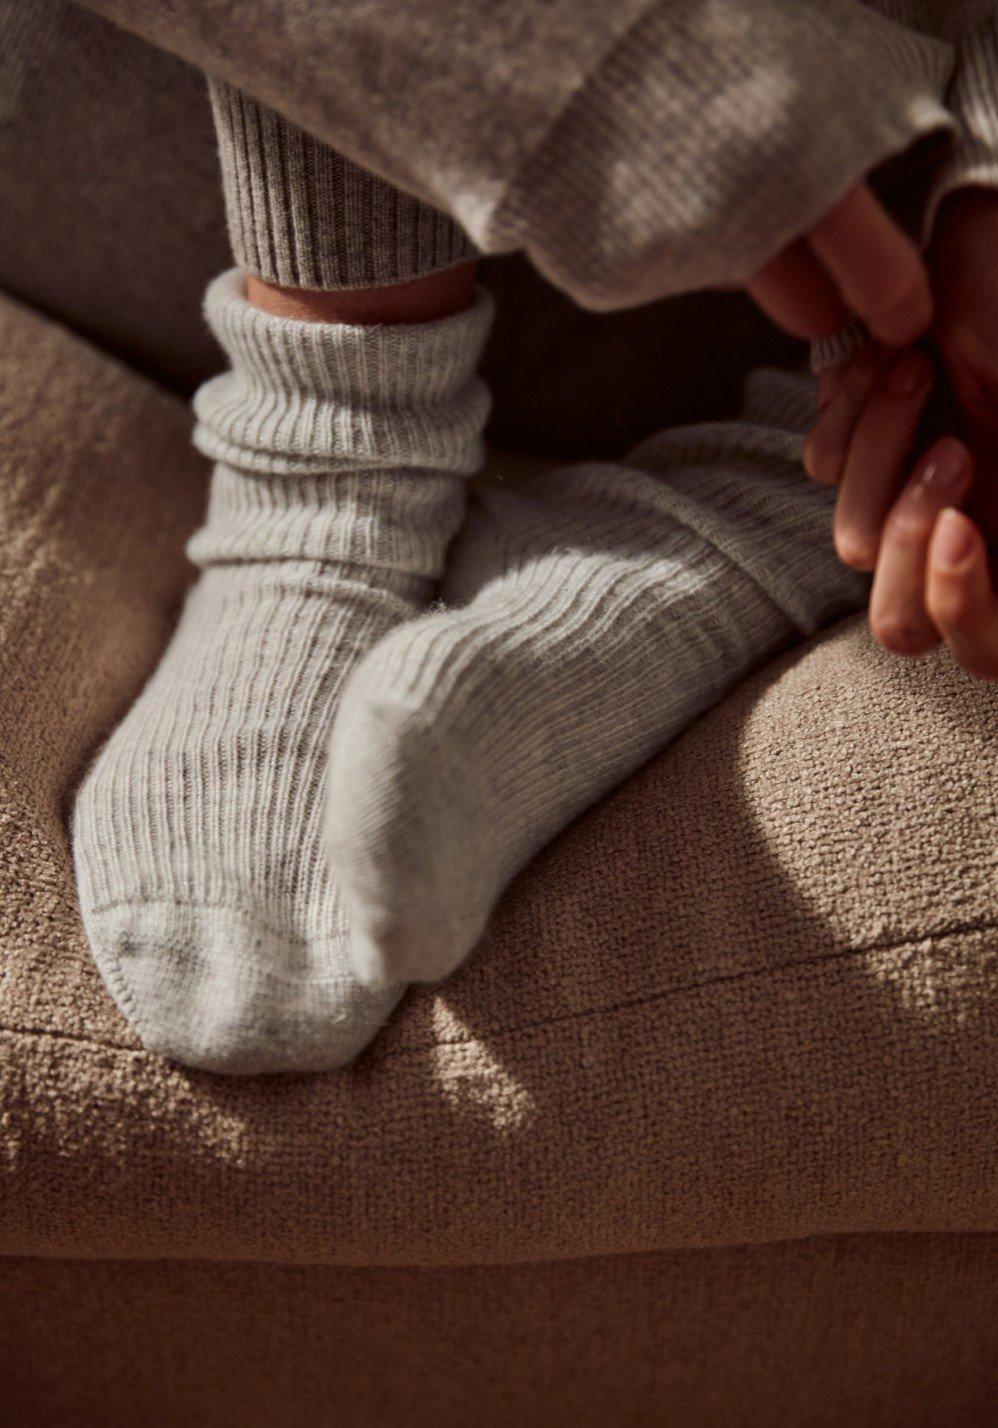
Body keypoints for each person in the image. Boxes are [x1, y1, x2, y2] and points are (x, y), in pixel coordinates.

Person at [72, 0, 998, 1073]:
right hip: (209, 161)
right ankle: (335, 447)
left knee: (907, 403)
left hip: (853, 205)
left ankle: (783, 492)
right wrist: (545, 44)